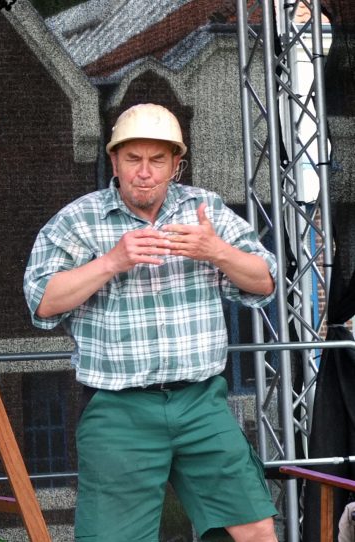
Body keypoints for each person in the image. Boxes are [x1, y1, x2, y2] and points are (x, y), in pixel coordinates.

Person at [23, 103, 279, 541]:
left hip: (202, 403)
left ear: (176, 165)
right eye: (133, 159)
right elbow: (41, 302)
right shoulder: (78, 219)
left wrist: (217, 252)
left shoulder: (206, 209)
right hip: (120, 408)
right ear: (114, 162)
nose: (144, 172)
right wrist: (111, 261)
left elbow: (267, 281)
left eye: (157, 160)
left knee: (255, 529)